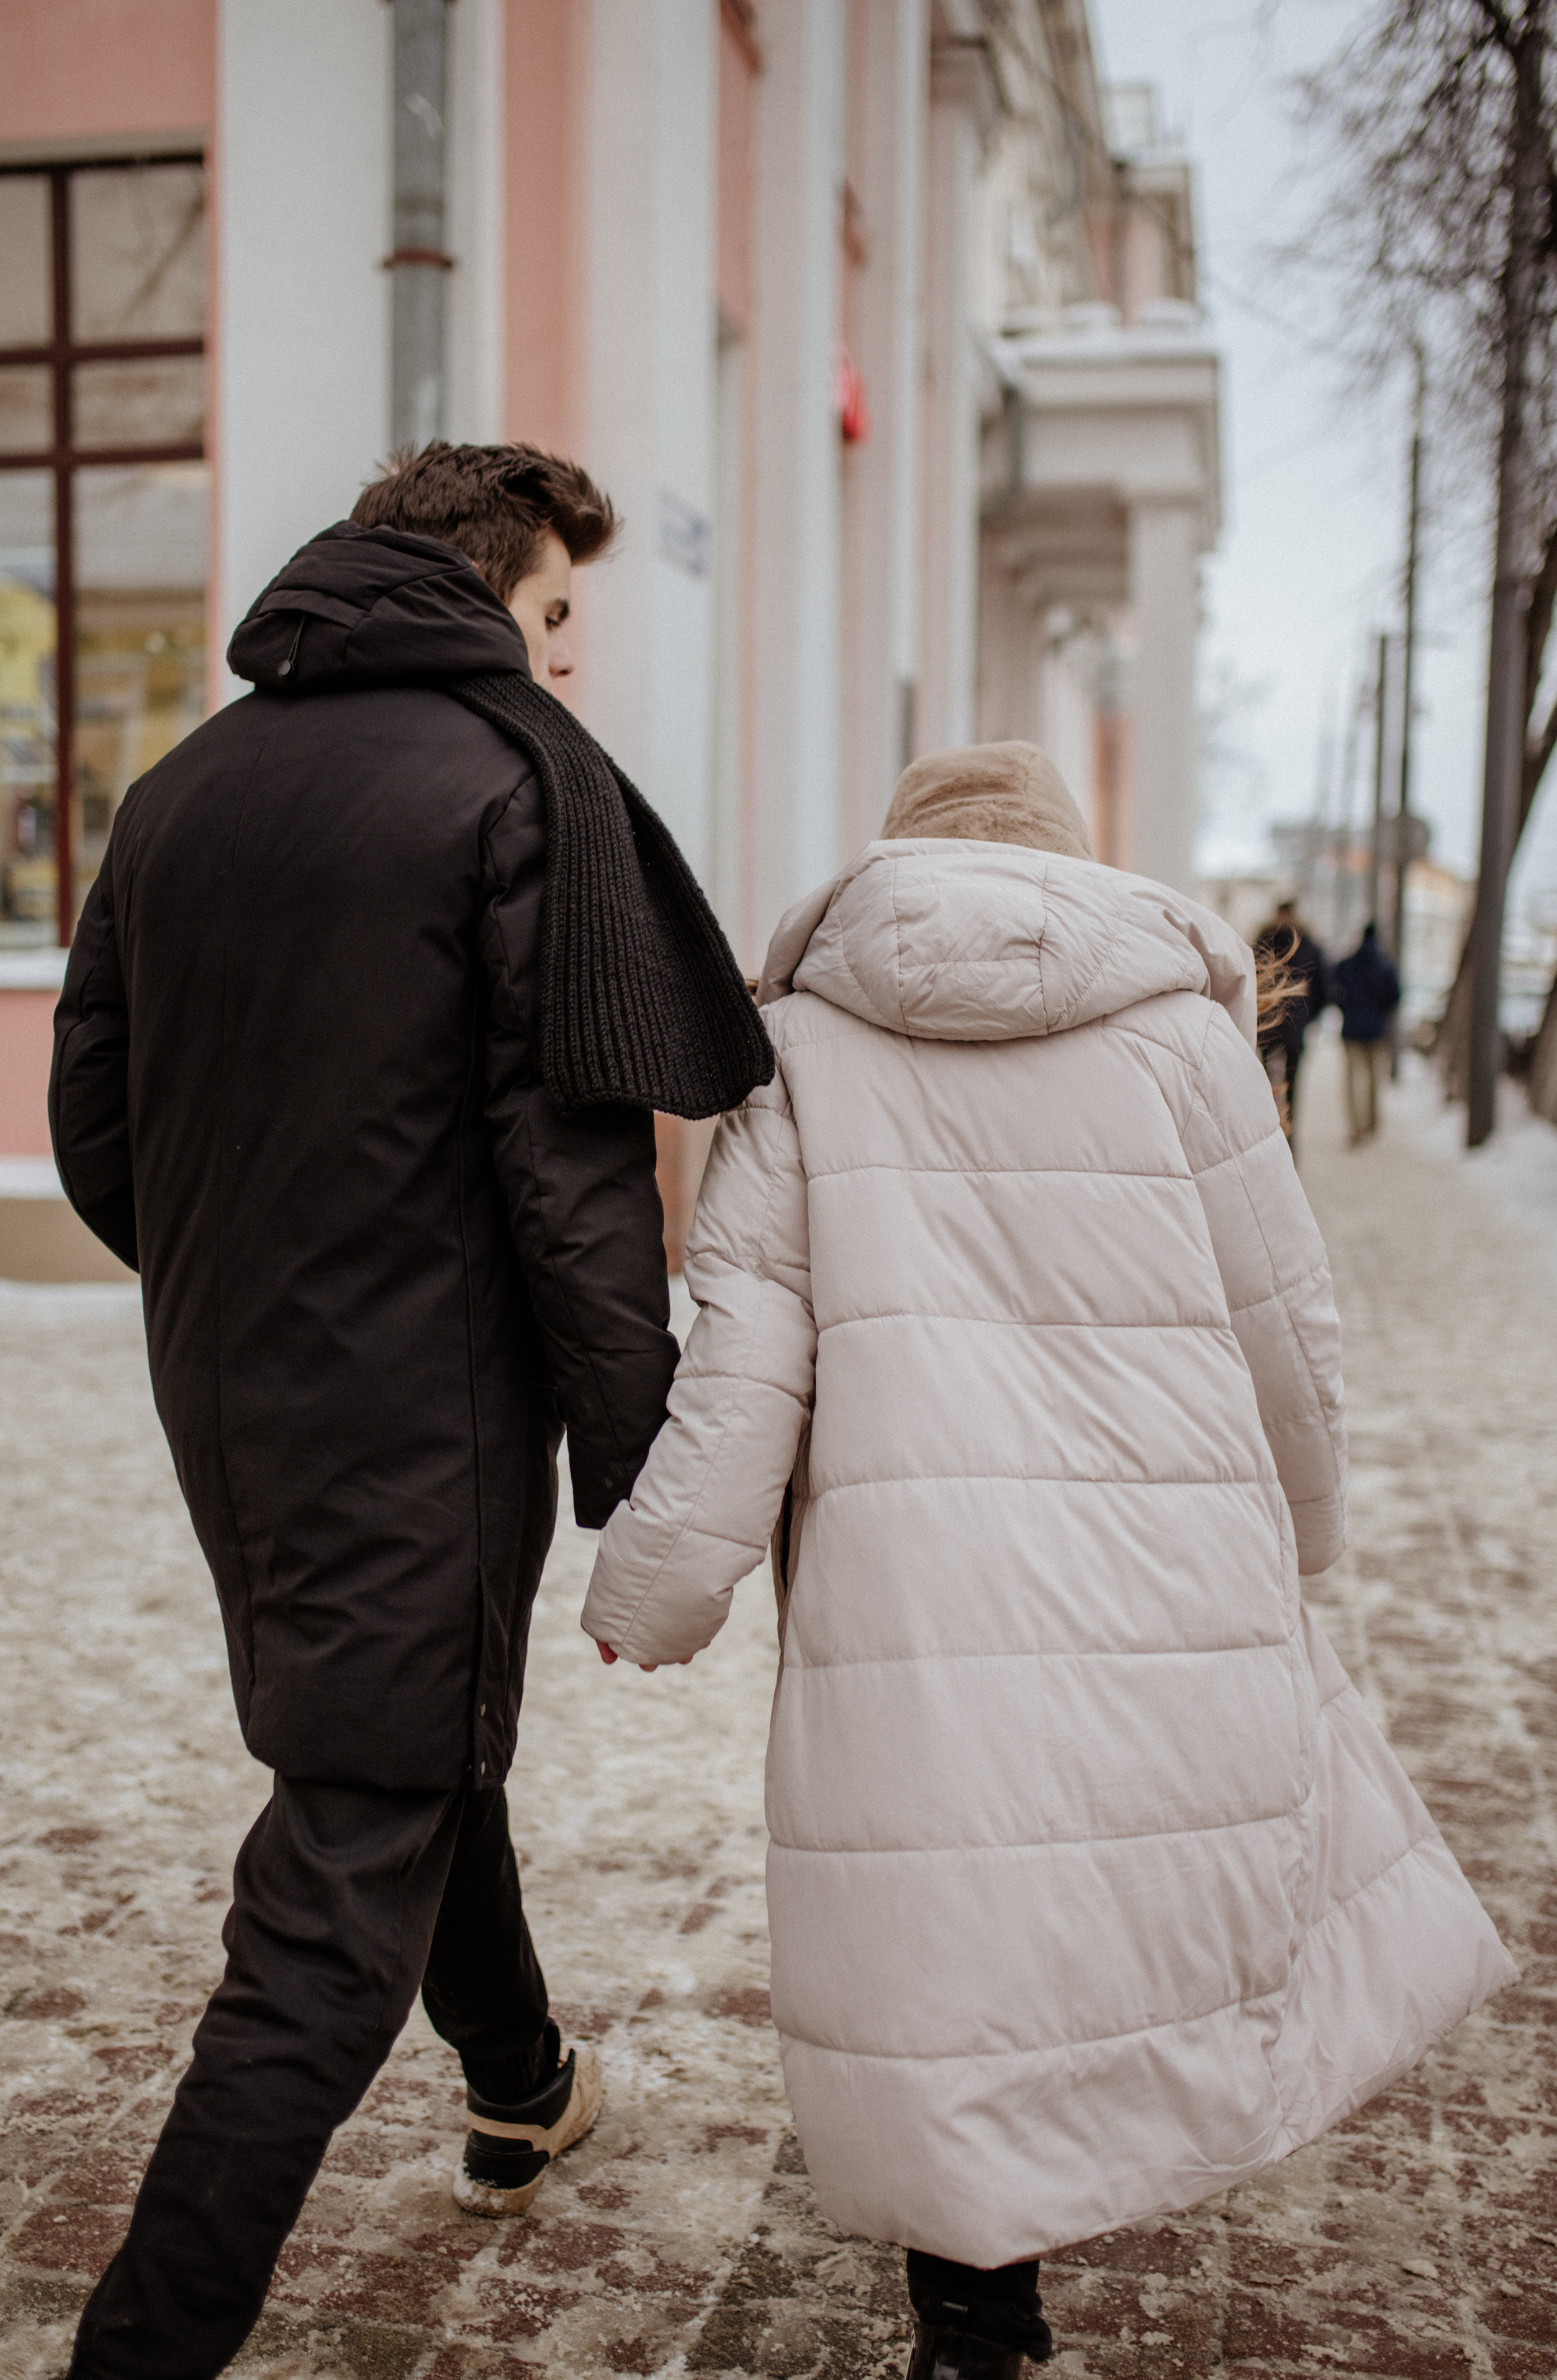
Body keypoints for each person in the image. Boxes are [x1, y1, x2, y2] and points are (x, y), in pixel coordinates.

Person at [582, 743, 1514, 2380]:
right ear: (1072, 866)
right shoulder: (1182, 1041)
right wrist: (1303, 1526)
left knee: (958, 1900)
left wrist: (661, 1582)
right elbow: (1285, 1323)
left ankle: (974, 2303)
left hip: (913, 1572)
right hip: (1170, 1537)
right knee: (1131, 1859)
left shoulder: (797, 1046)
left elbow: (747, 1354)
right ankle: (1109, 2141)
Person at [48, 441, 772, 2380]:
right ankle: (146, 2342)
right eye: (555, 620)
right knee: (339, 1871)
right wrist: (649, 1451)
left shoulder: (181, 788)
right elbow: (570, 1167)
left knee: (405, 1737)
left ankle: (522, 2082)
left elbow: (96, 1136)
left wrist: (250, 1284)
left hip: (234, 1388)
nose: (565, 669)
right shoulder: (511, 784)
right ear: (484, 589)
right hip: (425, 1407)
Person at [1252, 896, 1326, 1142]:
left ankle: (1268, 1136)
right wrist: (1308, 1016)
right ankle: (1289, 1140)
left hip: (1267, 1024)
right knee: (1293, 1085)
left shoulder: (1263, 941)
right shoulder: (1308, 943)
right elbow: (1323, 986)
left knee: (1266, 1086)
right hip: (1296, 1025)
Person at [1332, 919, 1402, 1145]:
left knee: (1353, 1079)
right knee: (1373, 1080)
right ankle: (1372, 1124)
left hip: (1351, 1029)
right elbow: (1395, 997)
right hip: (1376, 1030)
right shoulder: (1385, 965)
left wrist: (1347, 1009)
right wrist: (1380, 1013)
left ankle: (1355, 1127)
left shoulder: (1348, 964)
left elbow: (1334, 989)